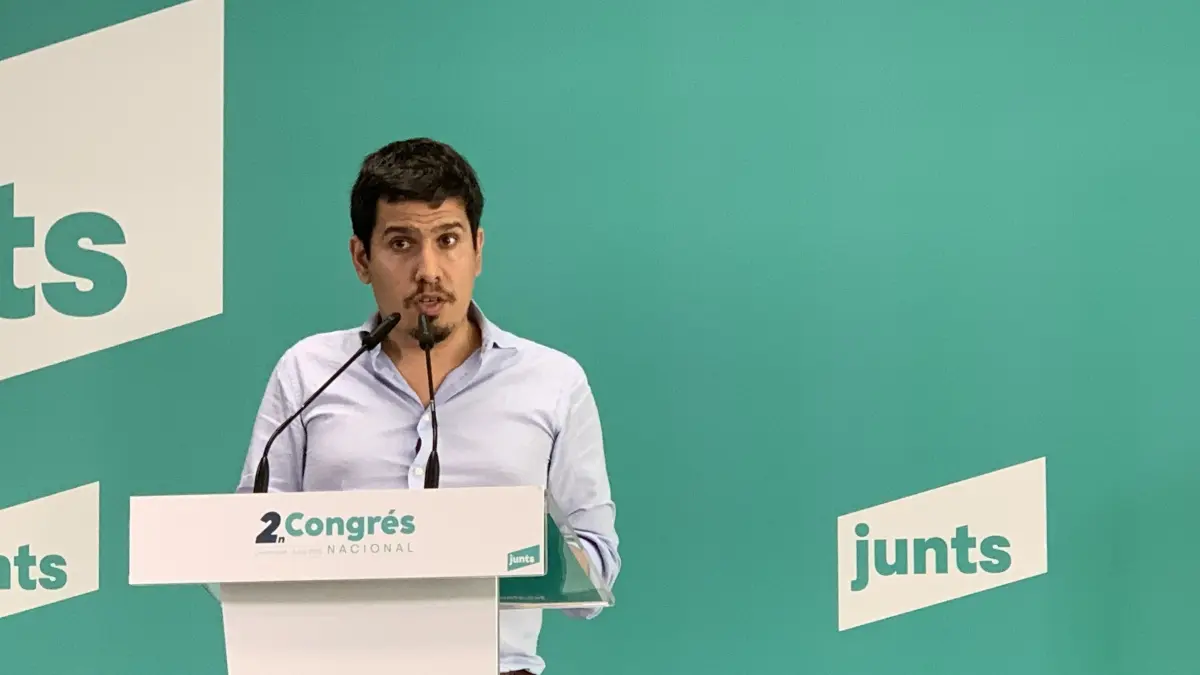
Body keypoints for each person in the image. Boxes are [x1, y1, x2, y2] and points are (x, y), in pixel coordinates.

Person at [234, 137, 621, 674]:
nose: (429, 270)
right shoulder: (309, 373)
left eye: (448, 240)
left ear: (478, 250)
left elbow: (595, 570)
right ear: (361, 259)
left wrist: (502, 546)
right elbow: (246, 549)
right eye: (401, 243)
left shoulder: (553, 381)